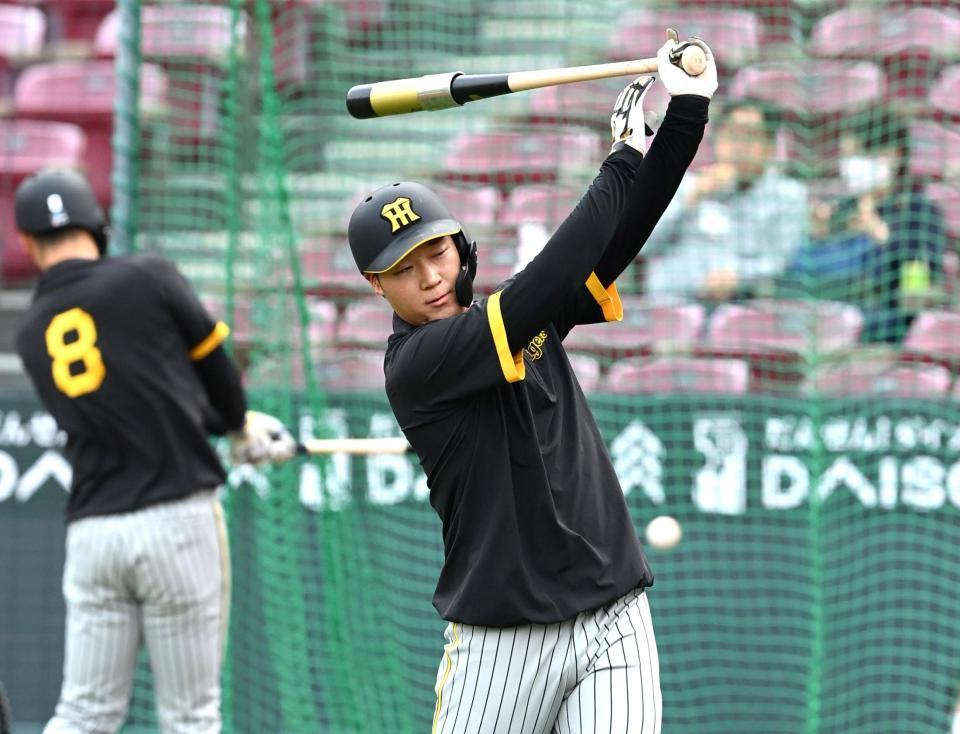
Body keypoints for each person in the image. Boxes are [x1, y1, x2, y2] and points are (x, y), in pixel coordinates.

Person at [345, 35, 717, 733]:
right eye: (404, 268)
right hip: (500, 642)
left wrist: (686, 112)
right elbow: (544, 280)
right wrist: (620, 159)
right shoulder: (418, 365)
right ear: (375, 285)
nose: (428, 276)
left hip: (614, 614)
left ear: (460, 245)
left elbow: (619, 238)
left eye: (436, 252)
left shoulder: (525, 313)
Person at [13, 168, 297, 734]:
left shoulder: (30, 331)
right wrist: (238, 426)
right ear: (98, 224)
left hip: (93, 534)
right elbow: (215, 374)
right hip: (175, 521)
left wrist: (226, 426)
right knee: (190, 718)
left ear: (26, 244)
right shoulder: (147, 275)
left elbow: (143, 401)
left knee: (82, 714)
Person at [640, 99, 808, 302]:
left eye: (750, 136)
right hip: (673, 303)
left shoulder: (788, 195)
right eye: (731, 135)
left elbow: (780, 260)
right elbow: (643, 246)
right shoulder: (683, 186)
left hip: (746, 305)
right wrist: (691, 198)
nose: (739, 146)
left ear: (769, 146)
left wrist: (739, 277)